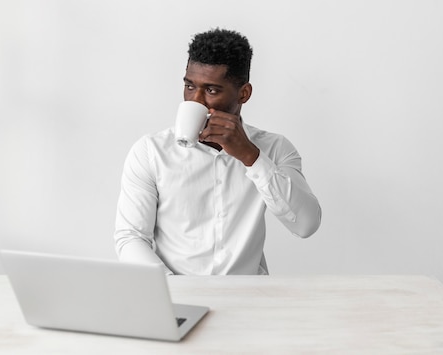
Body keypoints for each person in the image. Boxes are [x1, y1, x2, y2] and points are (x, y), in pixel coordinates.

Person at [114, 28, 321, 275]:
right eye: (190, 86)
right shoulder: (150, 151)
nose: (196, 101)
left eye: (211, 90)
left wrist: (251, 157)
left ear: (243, 93)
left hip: (248, 300)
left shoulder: (274, 149)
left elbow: (306, 225)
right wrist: (174, 290)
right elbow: (130, 238)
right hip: (175, 297)